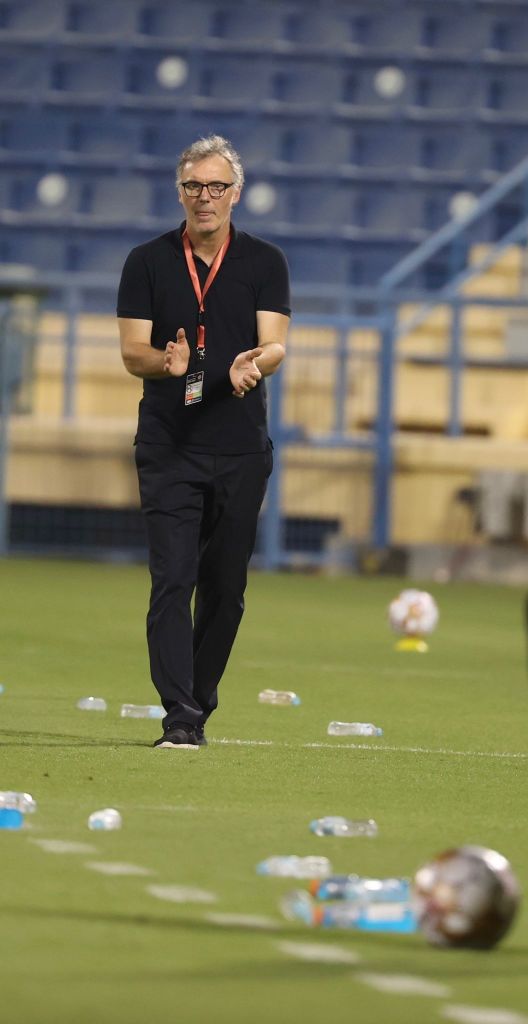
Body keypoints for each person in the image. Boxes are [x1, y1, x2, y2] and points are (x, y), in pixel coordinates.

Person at [117, 135, 290, 749]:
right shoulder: (148, 261)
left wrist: (256, 365)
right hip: (170, 444)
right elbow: (130, 351)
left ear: (235, 194)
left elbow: (275, 342)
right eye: (193, 186)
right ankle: (180, 716)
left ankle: (198, 699)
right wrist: (165, 363)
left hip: (241, 446)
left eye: (216, 187)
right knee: (172, 580)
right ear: (180, 192)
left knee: (227, 588)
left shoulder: (265, 262)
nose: (204, 197)